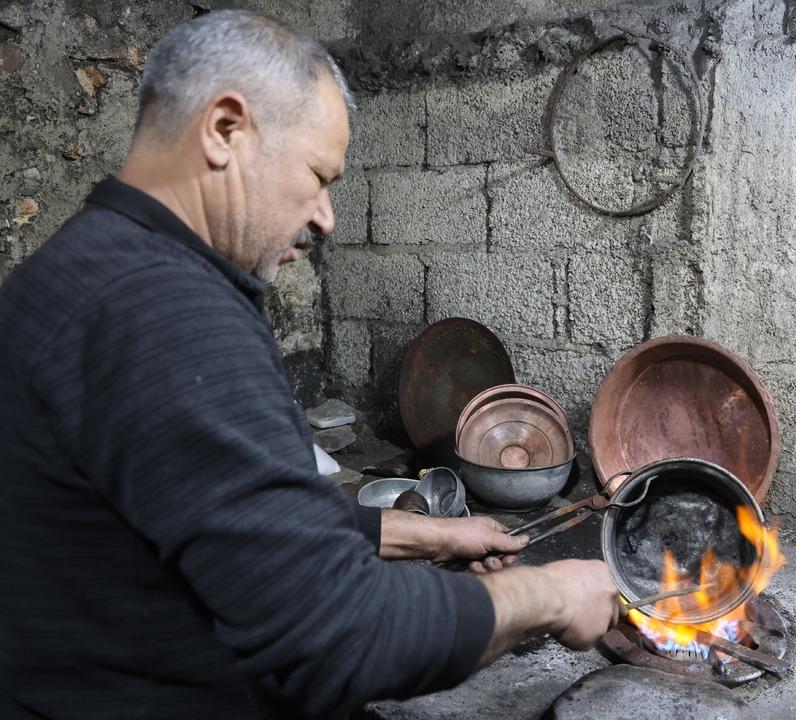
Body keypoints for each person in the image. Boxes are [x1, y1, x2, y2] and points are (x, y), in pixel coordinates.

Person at [0, 10, 621, 720]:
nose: (326, 217)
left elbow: (213, 514)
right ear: (225, 130)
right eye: (318, 176)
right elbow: (335, 635)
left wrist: (417, 534)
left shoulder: (83, 267)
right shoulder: (170, 313)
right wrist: (546, 596)